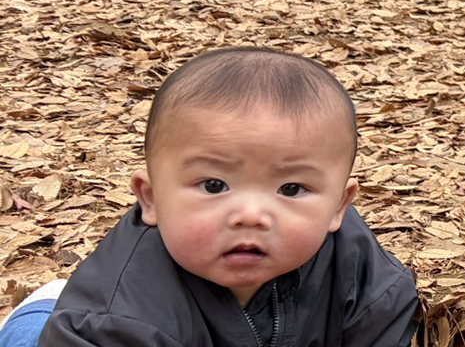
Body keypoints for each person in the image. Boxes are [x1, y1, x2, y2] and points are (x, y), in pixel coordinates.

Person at [13, 47, 420, 347]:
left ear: (338, 206)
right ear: (150, 198)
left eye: (291, 189)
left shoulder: (370, 283)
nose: (250, 215)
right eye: (213, 185)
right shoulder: (110, 322)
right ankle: (39, 311)